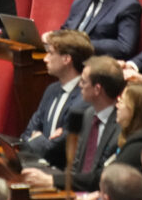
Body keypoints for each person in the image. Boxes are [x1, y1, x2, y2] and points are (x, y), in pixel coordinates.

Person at [20, 29, 92, 169]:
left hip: (61, 174)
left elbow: (55, 150)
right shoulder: (51, 90)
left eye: (51, 53)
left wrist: (38, 138)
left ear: (66, 59)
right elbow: (26, 134)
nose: (45, 58)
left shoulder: (84, 100)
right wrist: (41, 140)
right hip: (37, 163)